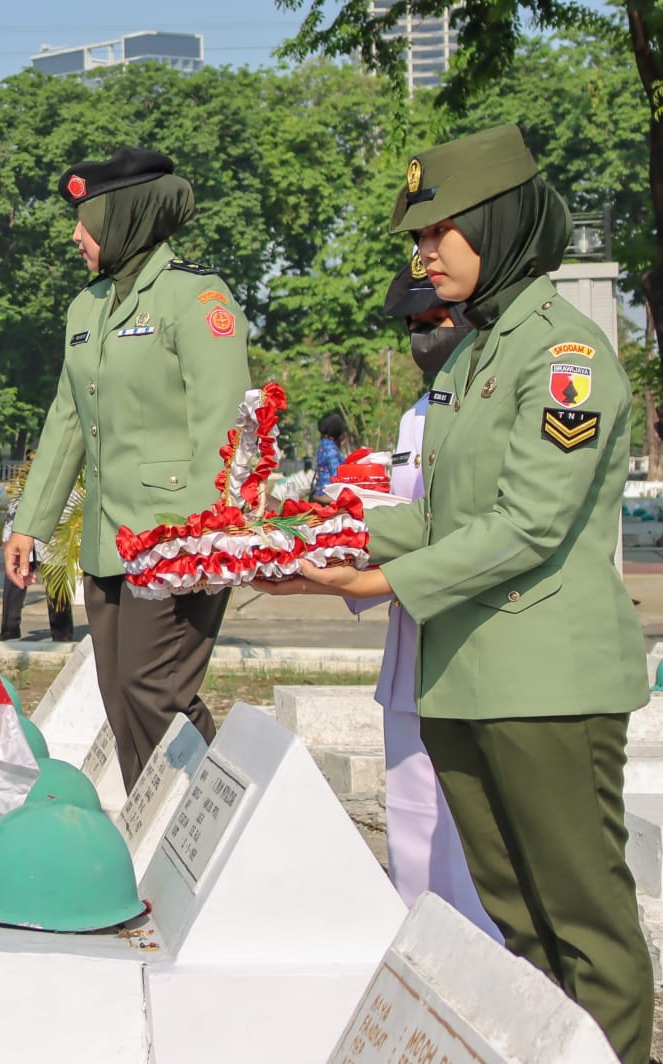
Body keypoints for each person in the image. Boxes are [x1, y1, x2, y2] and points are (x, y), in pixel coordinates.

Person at [264, 125, 652, 1064]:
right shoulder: (474, 355)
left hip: (545, 685)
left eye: (438, 232)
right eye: (417, 237)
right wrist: (333, 541)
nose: (421, 253)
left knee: (583, 925)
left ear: (499, 221)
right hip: (464, 677)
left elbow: (525, 524)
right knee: (516, 923)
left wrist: (381, 576)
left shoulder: (563, 356)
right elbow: (446, 515)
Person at [6, 147, 251, 789]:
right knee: (120, 695)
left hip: (178, 538)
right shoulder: (87, 308)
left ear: (124, 219)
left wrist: (209, 541)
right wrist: (29, 523)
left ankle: (204, 825)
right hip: (108, 541)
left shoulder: (195, 296)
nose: (75, 235)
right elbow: (66, 420)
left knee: (156, 689)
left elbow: (225, 425)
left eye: (87, 219)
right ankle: (159, 838)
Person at [348, 258, 495, 936]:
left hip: (475, 644)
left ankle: (479, 953)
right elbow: (402, 517)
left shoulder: (494, 408)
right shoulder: (416, 415)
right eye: (412, 327)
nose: (422, 338)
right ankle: (415, 951)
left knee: (470, 833)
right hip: (410, 647)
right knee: (409, 814)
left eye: (434, 321)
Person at [0, 492, 75, 642]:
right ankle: (9, 629)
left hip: (53, 538)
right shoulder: (25, 478)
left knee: (56, 586)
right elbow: (14, 509)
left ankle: (62, 632)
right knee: (14, 583)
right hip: (22, 539)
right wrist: (7, 538)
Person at [311, 412, 347, 501]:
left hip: (320, 490)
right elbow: (336, 473)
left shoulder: (324, 443)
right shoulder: (331, 448)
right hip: (327, 494)